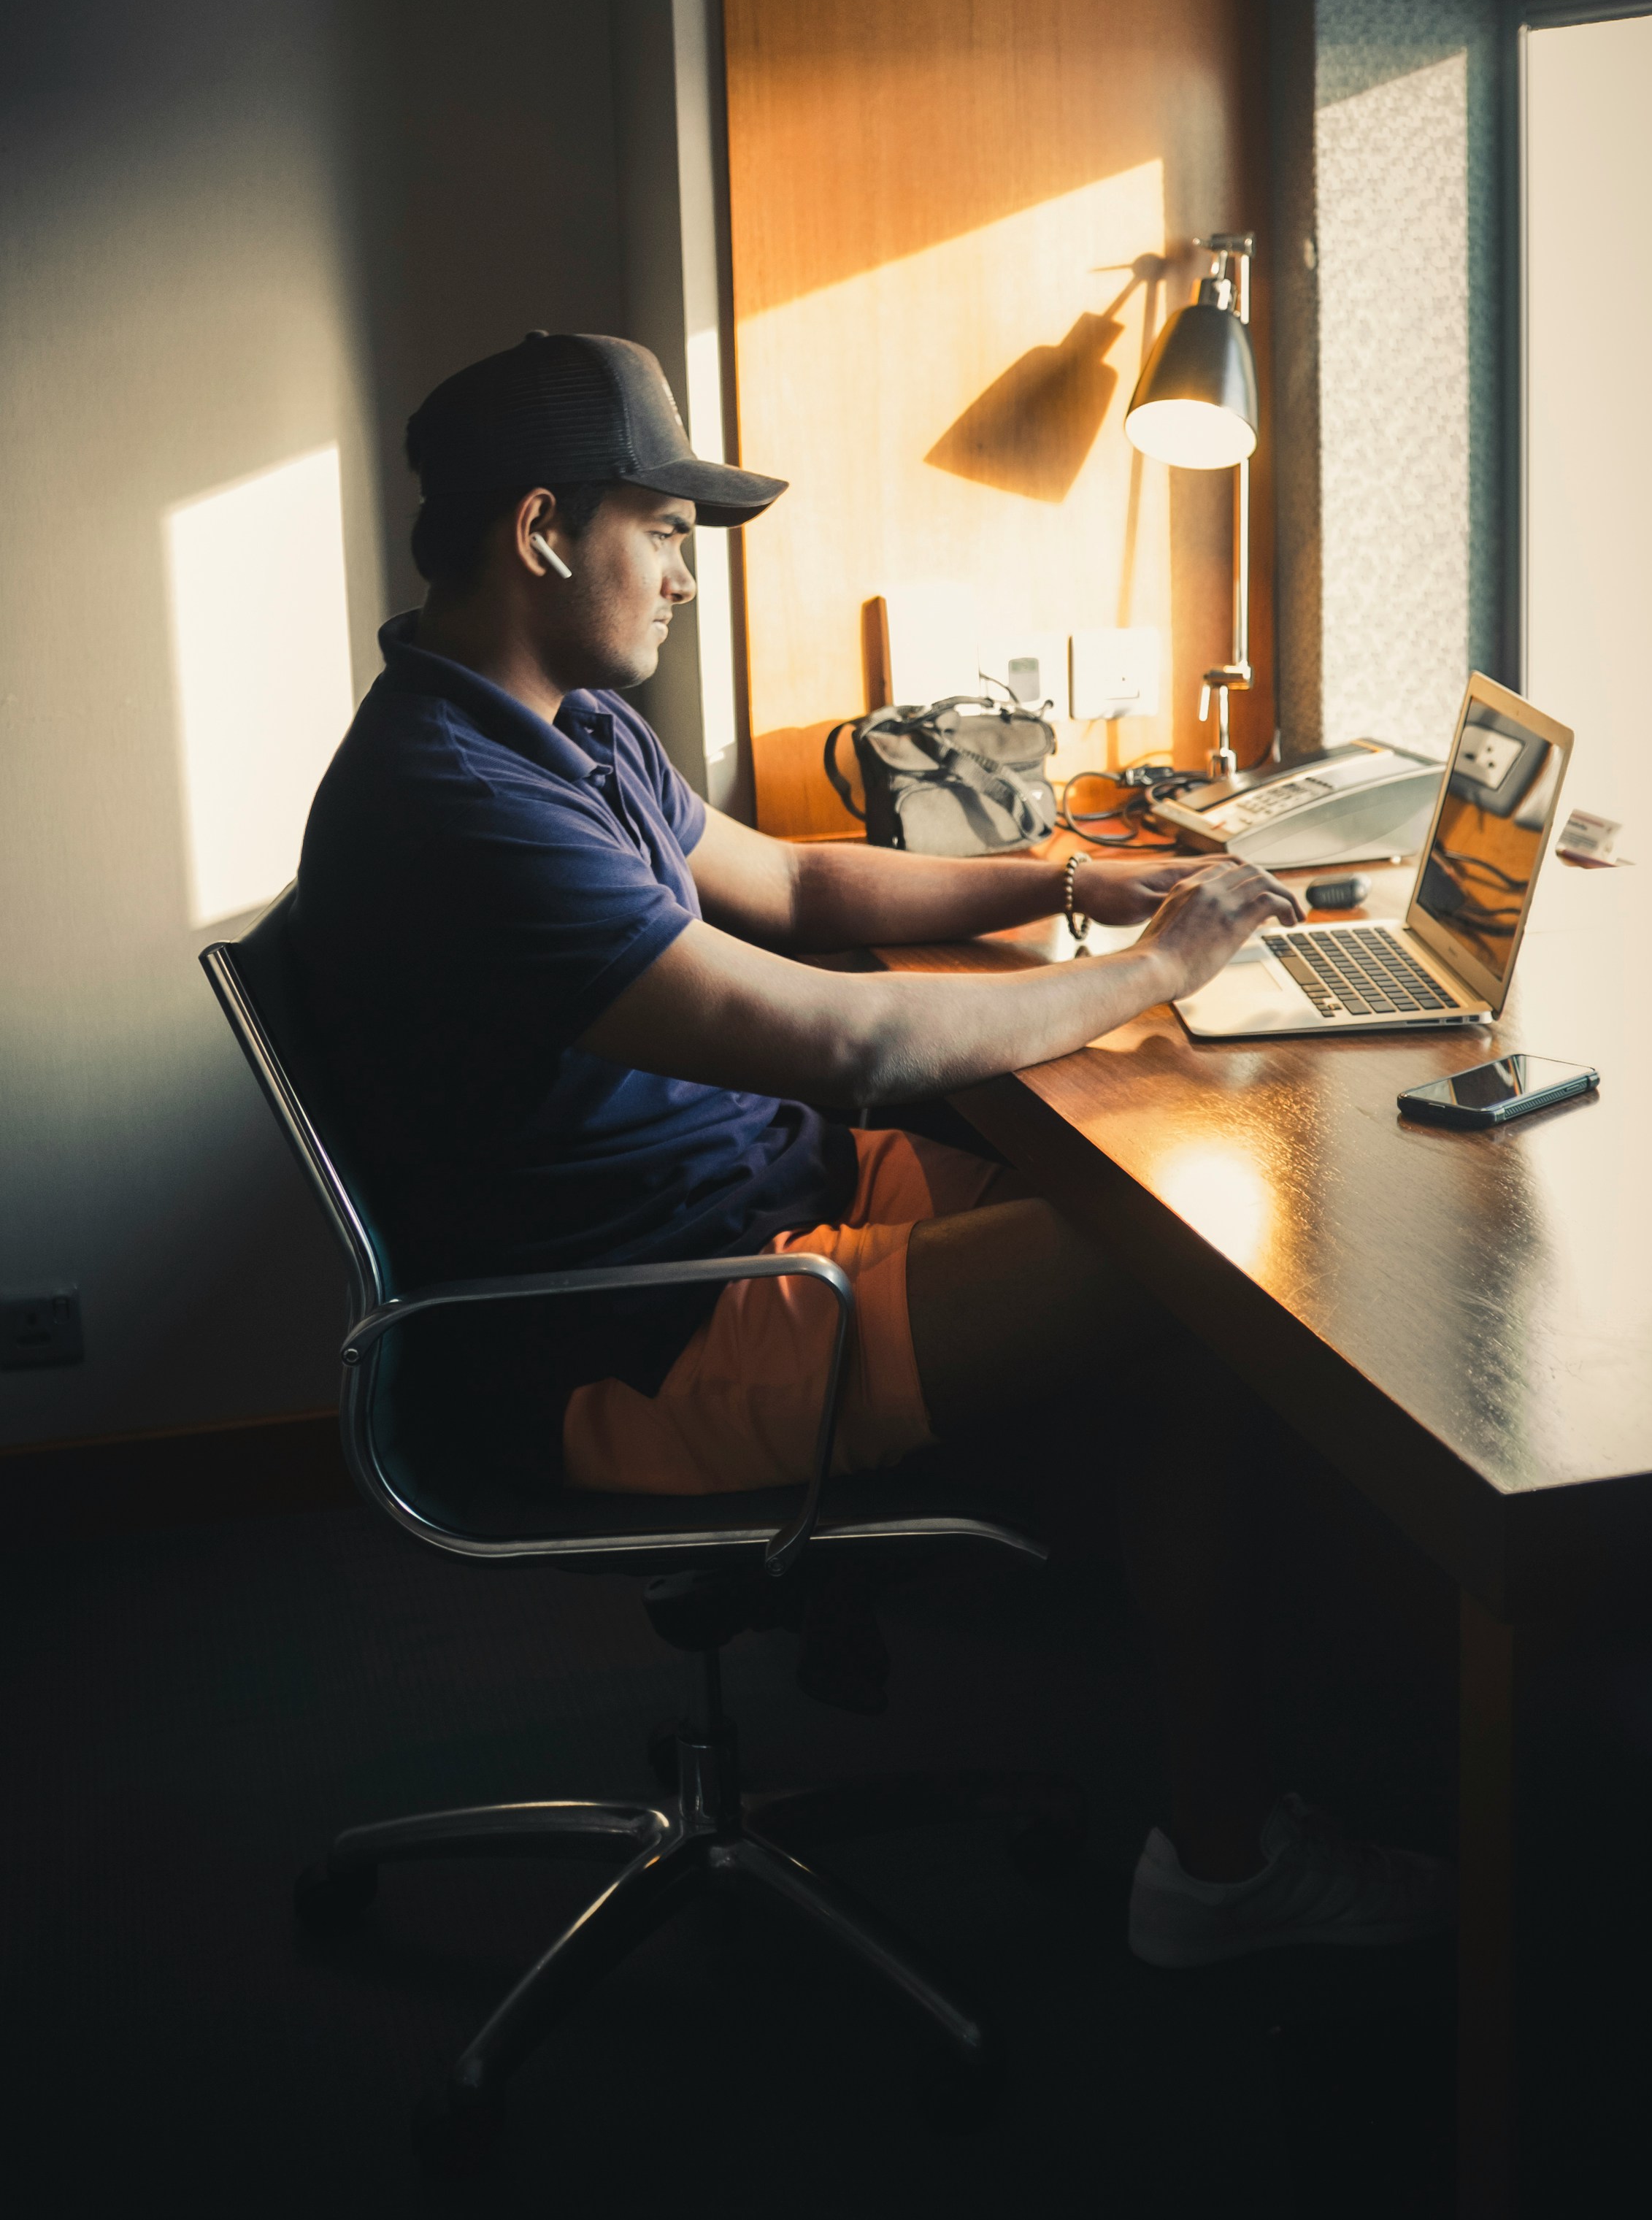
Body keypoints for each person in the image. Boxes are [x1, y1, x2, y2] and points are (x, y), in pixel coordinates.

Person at [294, 330, 1449, 1966]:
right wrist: (1162, 967)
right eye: (667, 527)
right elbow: (854, 1037)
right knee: (1206, 1262)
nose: (689, 572)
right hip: (644, 1320)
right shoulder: (453, 799)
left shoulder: (555, 720)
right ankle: (1220, 1851)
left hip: (751, 1197)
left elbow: (809, 893)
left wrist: (1060, 880)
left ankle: (1216, 1807)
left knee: (1174, 1228)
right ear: (544, 532)